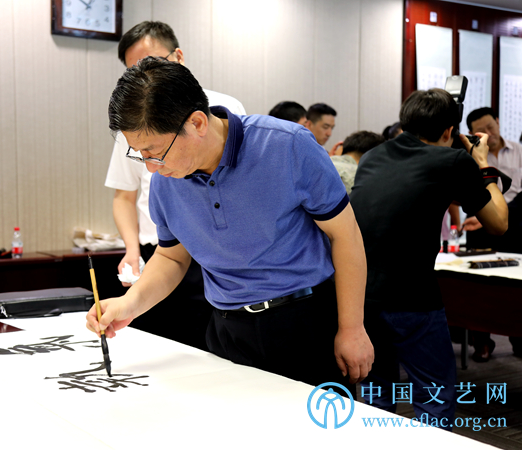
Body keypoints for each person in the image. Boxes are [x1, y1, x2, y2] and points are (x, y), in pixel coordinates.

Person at [88, 57, 374, 390]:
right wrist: (129, 303)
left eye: (155, 152)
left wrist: (352, 327)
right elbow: (171, 258)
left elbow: (346, 236)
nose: (151, 168)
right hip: (227, 330)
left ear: (197, 123)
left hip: (304, 322)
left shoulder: (287, 146)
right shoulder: (167, 181)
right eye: (139, 155)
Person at [351, 89, 508, 430]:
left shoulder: (373, 156)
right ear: (450, 130)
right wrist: (481, 162)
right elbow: (498, 222)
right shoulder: (452, 161)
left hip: (360, 299)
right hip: (413, 299)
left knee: (377, 395)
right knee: (434, 398)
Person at [104, 21, 246, 350]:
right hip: (160, 250)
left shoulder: (224, 109)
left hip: (210, 249)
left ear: (178, 57)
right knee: (156, 344)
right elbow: (124, 196)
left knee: (209, 347)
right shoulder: (133, 124)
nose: (144, 75)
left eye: (152, 62)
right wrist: (132, 250)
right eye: (133, 70)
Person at [463, 107, 522, 361]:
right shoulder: (471, 158)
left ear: (498, 122)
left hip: (516, 227)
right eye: (482, 130)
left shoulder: (519, 151)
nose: (489, 133)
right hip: (480, 227)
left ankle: (518, 339)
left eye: (491, 126)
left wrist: (502, 213)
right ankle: (482, 342)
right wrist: (481, 214)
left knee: (515, 286)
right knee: (479, 288)